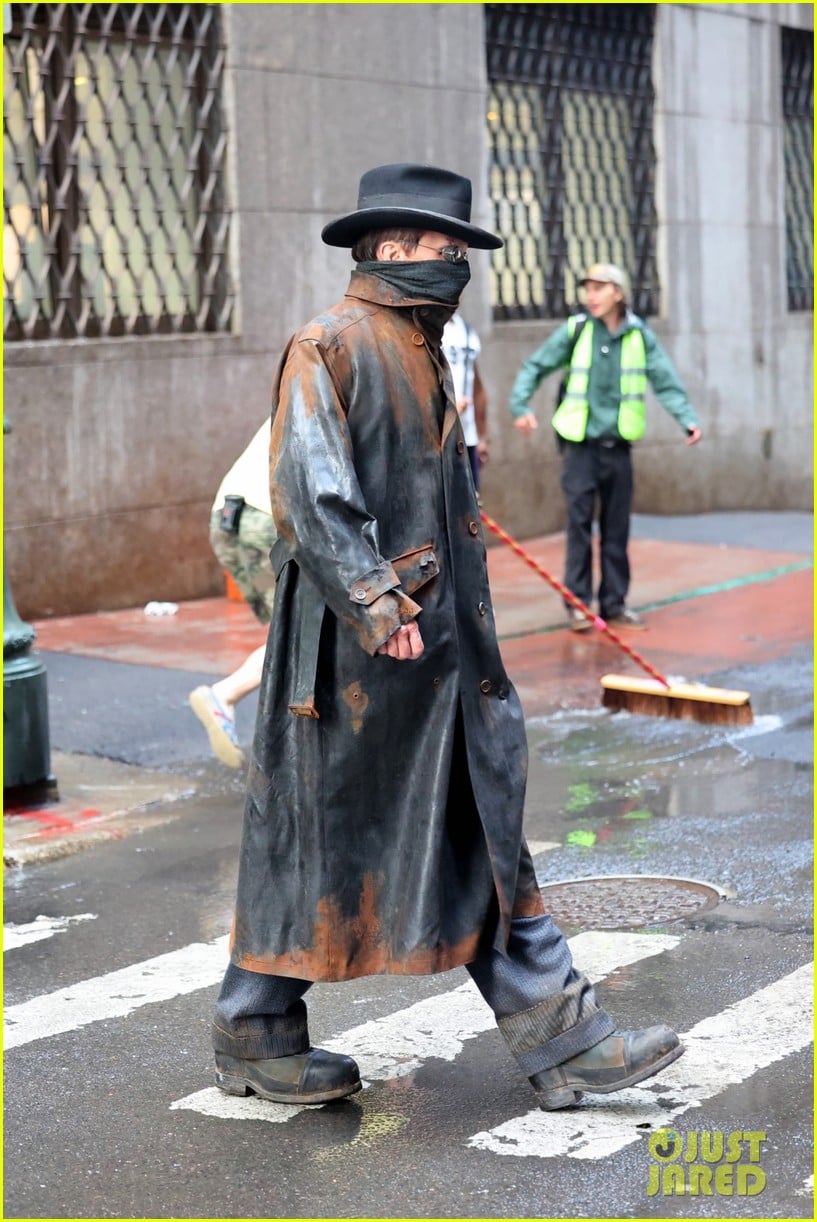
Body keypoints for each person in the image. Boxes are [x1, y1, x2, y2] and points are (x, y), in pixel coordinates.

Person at [211, 165, 683, 1112]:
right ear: (389, 249)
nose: (456, 262)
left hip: (428, 656)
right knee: (322, 840)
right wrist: (381, 606)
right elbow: (309, 489)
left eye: (459, 248)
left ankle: (560, 1039)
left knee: (470, 825)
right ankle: (258, 1032)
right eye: (441, 248)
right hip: (360, 657)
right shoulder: (332, 342)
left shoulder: (418, 340)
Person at [509, 262, 702, 632]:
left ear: (618, 293)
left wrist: (687, 418)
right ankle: (578, 606)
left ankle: (614, 604)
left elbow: (665, 380)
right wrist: (520, 406)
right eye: (588, 289)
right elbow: (535, 366)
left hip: (618, 450)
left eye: (599, 288)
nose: (591, 296)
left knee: (617, 530)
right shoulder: (577, 331)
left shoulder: (639, 336)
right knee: (579, 527)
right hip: (580, 449)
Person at [189, 419, 277, 768]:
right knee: (303, 635)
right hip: (266, 518)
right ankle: (224, 694)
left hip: (228, 515)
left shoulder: (302, 379)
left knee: (292, 631)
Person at [442, 311, 489, 493]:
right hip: (439, 439)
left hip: (468, 437)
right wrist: (447, 404)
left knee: (471, 505)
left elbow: (477, 386)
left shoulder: (466, 331)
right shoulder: (425, 328)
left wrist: (482, 437)